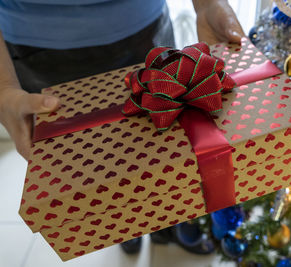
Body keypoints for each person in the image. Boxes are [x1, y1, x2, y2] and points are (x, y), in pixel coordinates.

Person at [0, 0, 245, 255]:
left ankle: (173, 222)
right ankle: (126, 223)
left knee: (169, 153)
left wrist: (206, 4)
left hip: (147, 27)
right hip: (42, 50)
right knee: (98, 167)